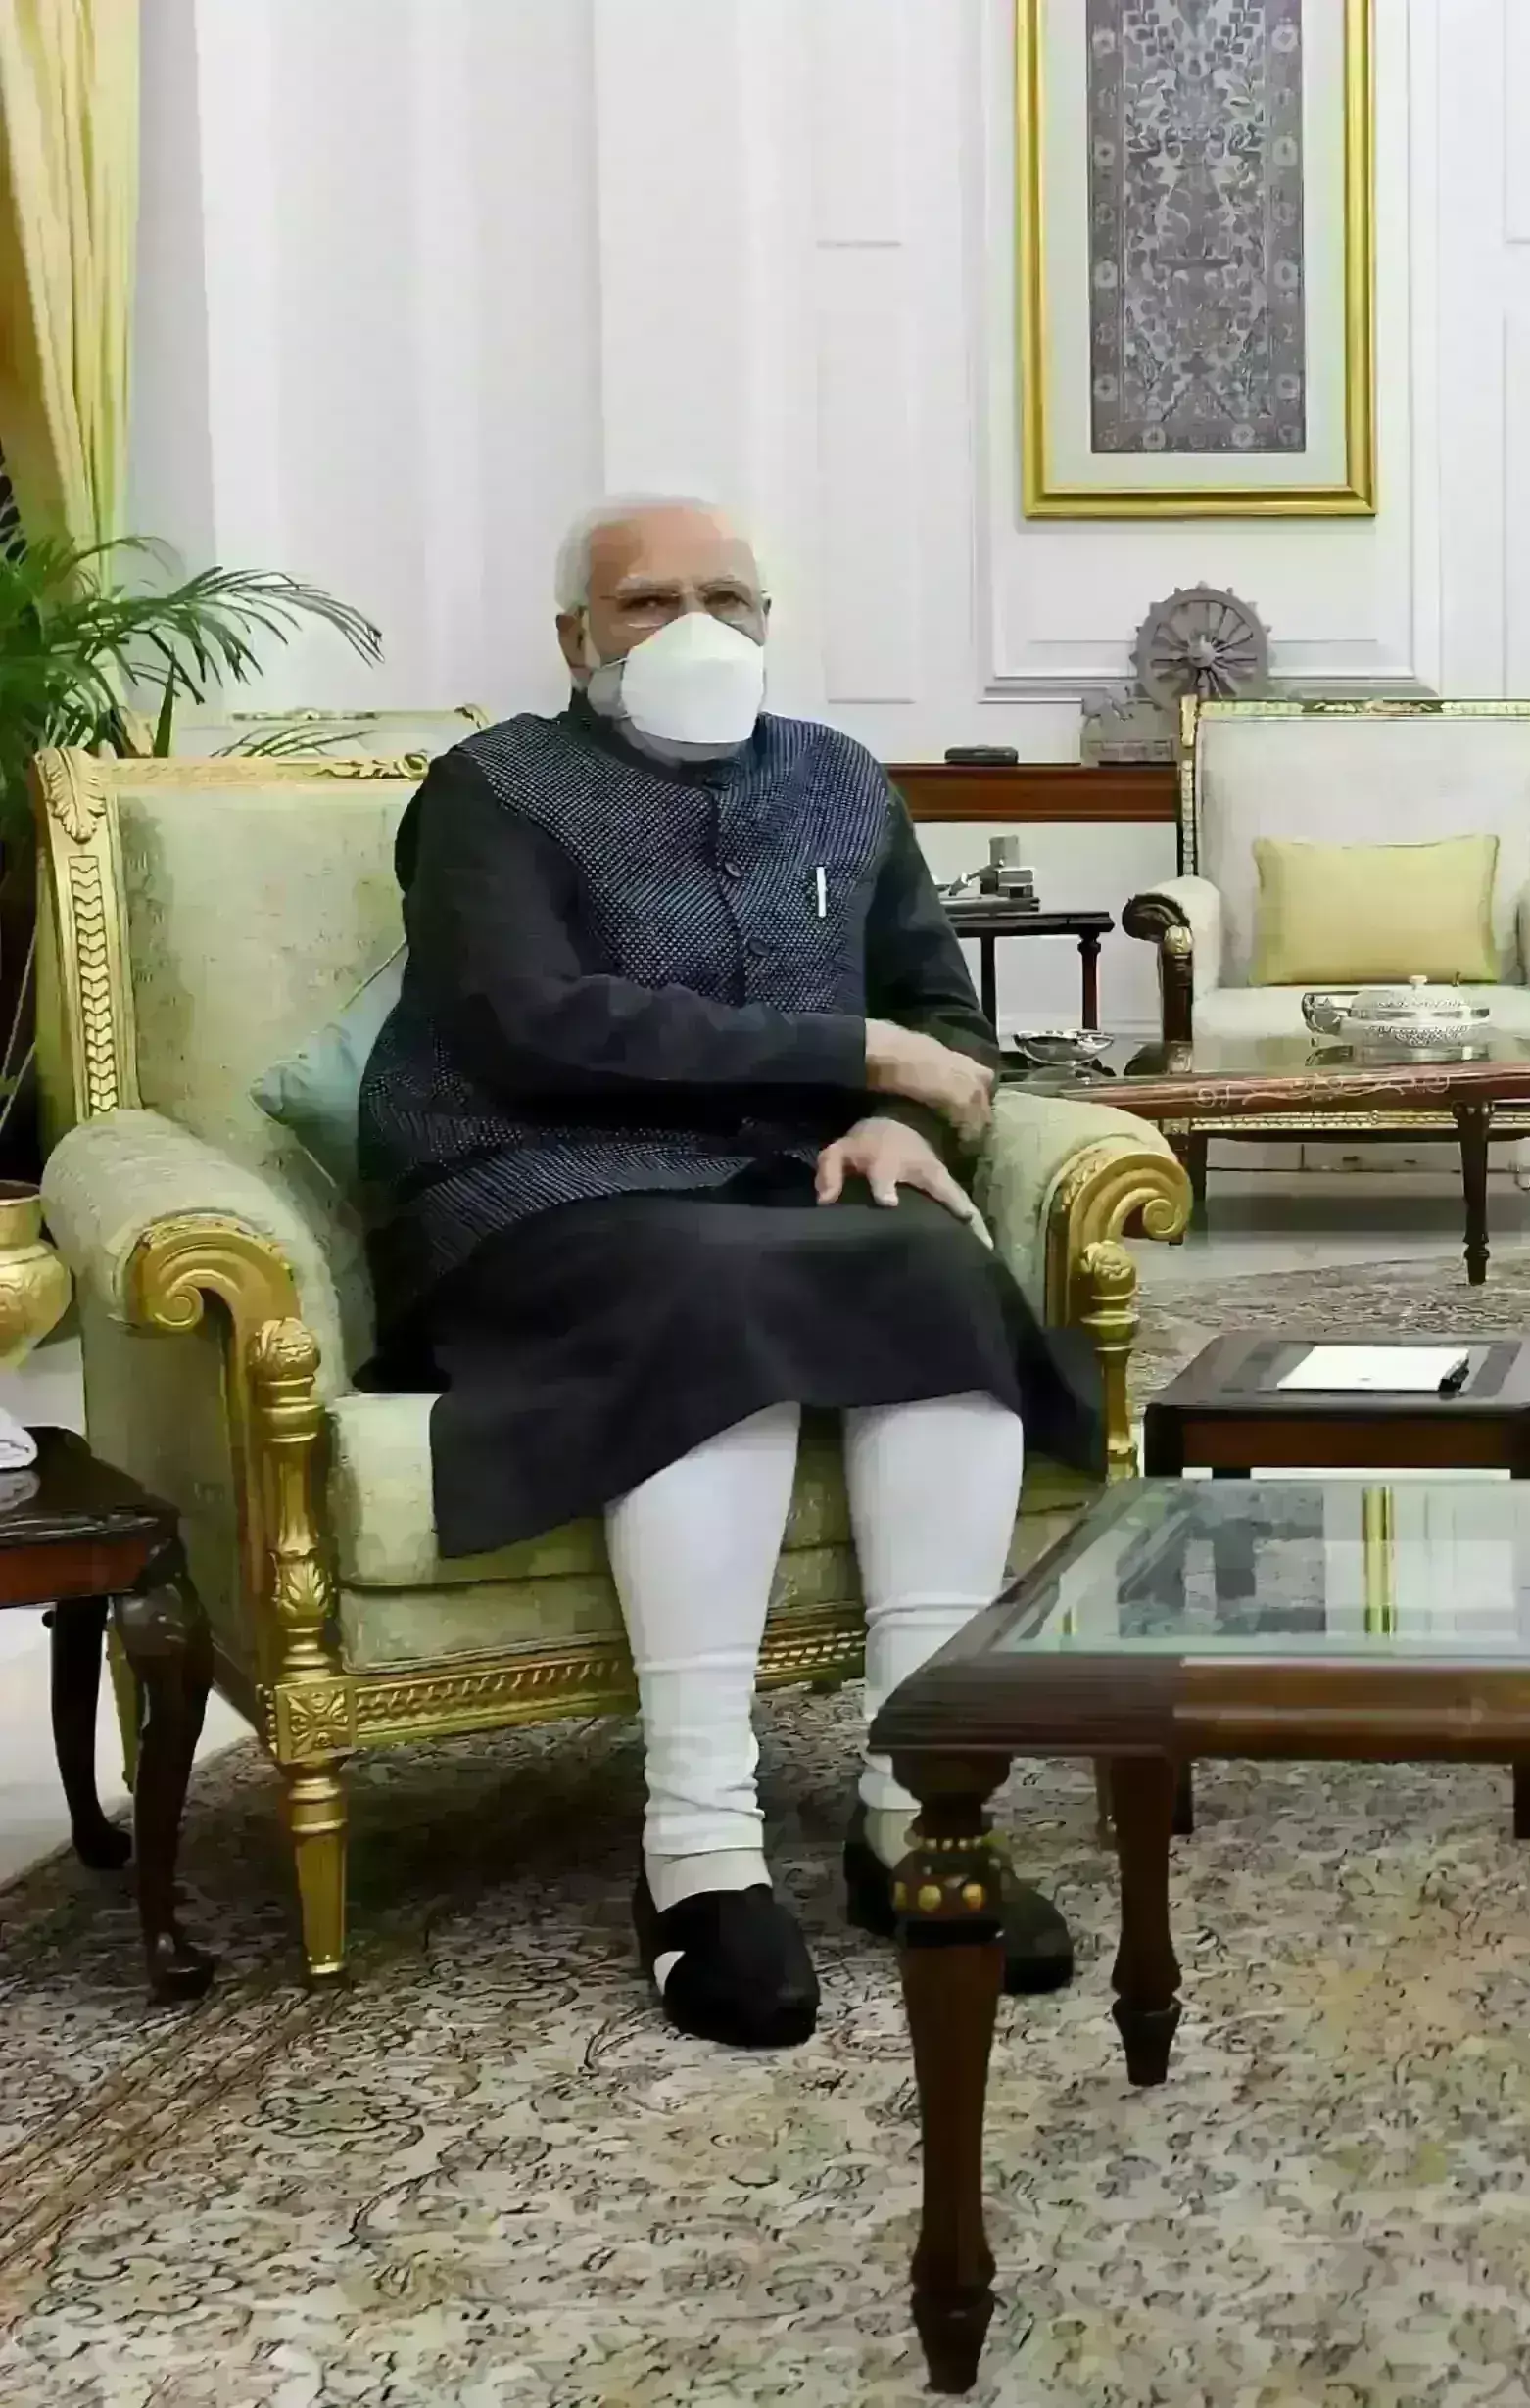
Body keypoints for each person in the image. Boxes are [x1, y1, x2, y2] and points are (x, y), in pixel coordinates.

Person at [359, 496, 1093, 2049]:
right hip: (534, 1179)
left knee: (937, 1269)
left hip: (784, 1183)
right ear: (576, 635)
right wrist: (851, 1053)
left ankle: (918, 1808)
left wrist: (900, 1120)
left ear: (767, 619)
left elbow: (939, 1017)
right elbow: (534, 1023)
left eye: (727, 597)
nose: (693, 626)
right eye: (648, 601)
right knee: (709, 1287)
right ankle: (699, 1852)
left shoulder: (839, 778)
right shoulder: (492, 788)